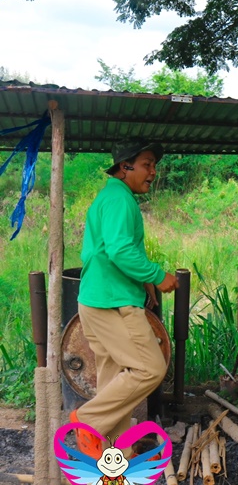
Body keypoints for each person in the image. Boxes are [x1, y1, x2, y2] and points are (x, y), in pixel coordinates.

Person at [70, 140, 178, 459]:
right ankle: (88, 422)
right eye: (147, 164)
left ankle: (112, 456)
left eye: (154, 165)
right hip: (112, 303)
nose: (153, 172)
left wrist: (142, 280)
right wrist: (156, 275)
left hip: (96, 299)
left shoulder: (111, 196)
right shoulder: (119, 199)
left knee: (113, 382)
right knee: (150, 368)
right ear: (124, 167)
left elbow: (110, 249)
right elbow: (119, 250)